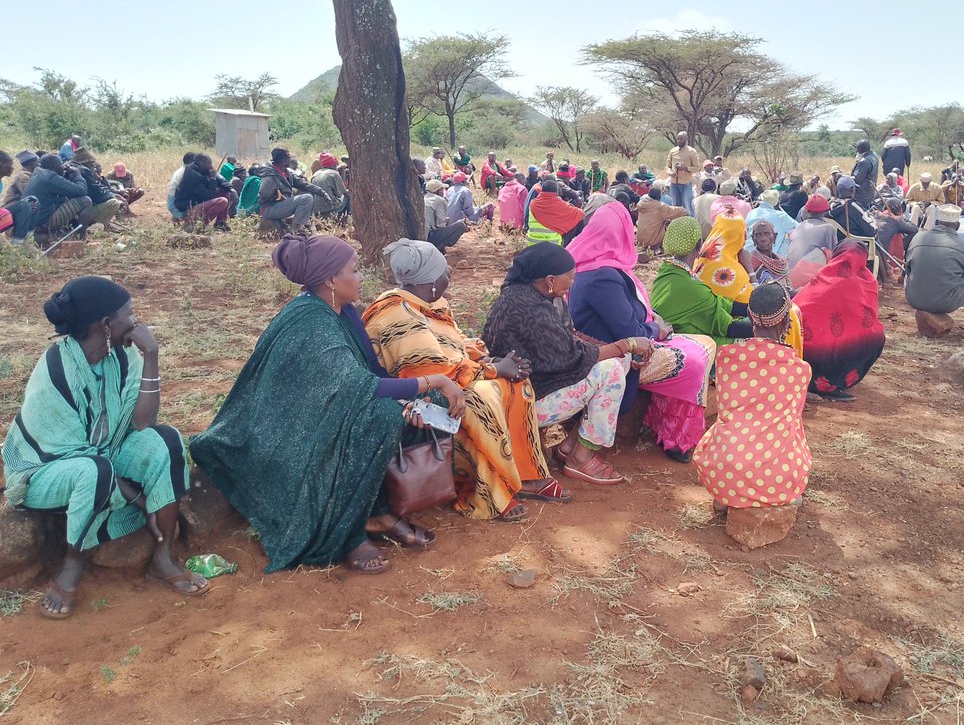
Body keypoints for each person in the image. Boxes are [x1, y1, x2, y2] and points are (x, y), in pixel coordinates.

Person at [192, 236, 467, 573]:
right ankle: (350, 533)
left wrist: (413, 398)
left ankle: (377, 510)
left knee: (430, 407)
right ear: (330, 281)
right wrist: (434, 380)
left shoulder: (343, 310)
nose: (361, 276)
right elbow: (358, 386)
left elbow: (371, 372)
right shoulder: (311, 323)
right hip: (295, 431)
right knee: (384, 417)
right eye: (354, 270)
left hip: (331, 411)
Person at [2, 277, 207, 618]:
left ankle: (162, 556)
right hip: (45, 474)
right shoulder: (56, 369)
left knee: (166, 439)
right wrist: (143, 503)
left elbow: (142, 422)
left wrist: (152, 355)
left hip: (103, 459)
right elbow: (72, 455)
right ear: (107, 324)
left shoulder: (122, 359)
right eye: (131, 313)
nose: (137, 321)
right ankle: (71, 565)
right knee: (94, 470)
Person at [364, 240, 566, 521]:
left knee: (518, 384)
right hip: (417, 394)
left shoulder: (430, 302)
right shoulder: (396, 315)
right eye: (444, 272)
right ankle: (488, 494)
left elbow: (455, 344)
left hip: (450, 376)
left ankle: (525, 475)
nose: (450, 274)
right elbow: (427, 371)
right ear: (432, 282)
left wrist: (488, 360)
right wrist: (493, 371)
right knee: (480, 399)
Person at [566, 204, 717, 462]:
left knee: (701, 346)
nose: (633, 233)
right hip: (619, 353)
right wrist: (655, 328)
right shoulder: (603, 277)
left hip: (615, 344)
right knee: (693, 362)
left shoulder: (592, 263)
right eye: (629, 228)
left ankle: (666, 425)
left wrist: (653, 319)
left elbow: (629, 314)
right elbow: (632, 331)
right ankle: (675, 439)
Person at [481, 242, 637, 485]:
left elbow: (571, 340)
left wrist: (621, 349)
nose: (573, 283)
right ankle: (581, 458)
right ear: (550, 279)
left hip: (539, 383)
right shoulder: (527, 309)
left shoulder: (540, 296)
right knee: (612, 370)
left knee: (618, 359)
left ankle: (570, 446)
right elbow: (573, 355)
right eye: (571, 278)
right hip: (526, 399)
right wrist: (625, 345)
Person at [693, 283, 813, 523]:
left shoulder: (727, 359)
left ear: (749, 316)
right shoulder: (800, 370)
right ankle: (773, 496)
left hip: (723, 471)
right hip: (778, 479)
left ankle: (730, 496)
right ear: (786, 320)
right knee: (791, 431)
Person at [792, 240, 885, 402]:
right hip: (846, 349)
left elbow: (801, 304)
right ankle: (836, 381)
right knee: (877, 336)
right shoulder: (868, 280)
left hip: (807, 350)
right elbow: (868, 318)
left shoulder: (825, 275)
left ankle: (811, 381)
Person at [904, 204, 964, 341]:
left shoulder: (918, 238)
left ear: (937, 223)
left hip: (914, 298)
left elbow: (908, 269)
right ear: (957, 226)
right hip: (947, 302)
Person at [651, 217, 752, 346]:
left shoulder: (667, 271)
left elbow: (718, 302)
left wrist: (755, 309)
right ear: (699, 244)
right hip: (695, 346)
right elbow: (727, 327)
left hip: (680, 338)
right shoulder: (690, 286)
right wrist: (766, 330)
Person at [25, 154, 97, 241]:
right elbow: (82, 191)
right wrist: (77, 174)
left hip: (33, 220)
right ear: (54, 167)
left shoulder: (40, 174)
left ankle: (64, 230)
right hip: (42, 222)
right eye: (61, 164)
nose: (63, 167)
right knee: (86, 201)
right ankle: (81, 238)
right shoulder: (51, 178)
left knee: (65, 199)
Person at [695, 203, 753, 304]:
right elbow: (755, 303)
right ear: (740, 235)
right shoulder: (730, 269)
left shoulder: (701, 256)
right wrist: (752, 273)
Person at [258, 148, 324, 233]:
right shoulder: (271, 175)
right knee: (306, 198)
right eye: (289, 158)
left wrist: (320, 191)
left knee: (310, 193)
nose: (291, 160)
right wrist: (277, 195)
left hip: (279, 205)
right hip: (269, 208)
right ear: (283, 160)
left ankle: (305, 223)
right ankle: (295, 230)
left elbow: (303, 184)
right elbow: (264, 194)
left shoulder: (285, 172)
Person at [174, 153, 234, 229]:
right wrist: (213, 179)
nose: (211, 166)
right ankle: (200, 225)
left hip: (198, 201)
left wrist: (231, 188)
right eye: (209, 163)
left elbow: (220, 179)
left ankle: (221, 223)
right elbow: (207, 195)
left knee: (225, 191)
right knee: (222, 201)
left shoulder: (201, 168)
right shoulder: (193, 175)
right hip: (187, 208)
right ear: (201, 163)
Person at [786, 193, 837, 266]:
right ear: (825, 211)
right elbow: (833, 253)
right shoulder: (828, 228)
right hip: (808, 272)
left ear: (807, 210)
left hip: (789, 271)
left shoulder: (799, 226)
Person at [529, 178, 584, 243]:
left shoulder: (533, 203)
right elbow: (580, 214)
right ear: (556, 191)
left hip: (531, 242)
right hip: (553, 243)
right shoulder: (559, 204)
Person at [635, 186, 687, 252]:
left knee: (664, 221)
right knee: (669, 222)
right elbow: (680, 212)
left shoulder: (642, 204)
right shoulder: (660, 207)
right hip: (652, 243)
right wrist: (686, 209)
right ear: (659, 196)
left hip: (640, 241)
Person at [422, 179, 467, 252]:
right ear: (436, 191)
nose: (443, 192)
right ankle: (439, 248)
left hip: (421, 235)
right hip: (430, 237)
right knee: (461, 225)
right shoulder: (439, 200)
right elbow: (440, 225)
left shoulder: (424, 198)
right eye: (441, 189)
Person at [666, 131, 702, 216]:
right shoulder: (673, 151)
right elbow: (667, 166)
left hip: (686, 184)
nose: (679, 140)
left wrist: (686, 168)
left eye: (681, 139)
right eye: (678, 138)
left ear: (686, 139)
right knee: (675, 207)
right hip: (674, 184)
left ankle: (692, 225)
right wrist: (670, 172)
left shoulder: (692, 152)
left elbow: (697, 168)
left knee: (688, 207)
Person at [851, 139, 880, 212]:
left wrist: (844, 177)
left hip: (862, 193)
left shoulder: (864, 161)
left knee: (861, 212)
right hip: (870, 190)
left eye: (857, 148)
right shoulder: (874, 156)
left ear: (860, 149)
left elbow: (857, 178)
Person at [166, 153, 194, 219]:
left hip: (171, 201)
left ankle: (176, 218)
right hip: (175, 203)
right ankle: (181, 217)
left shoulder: (180, 170)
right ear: (191, 162)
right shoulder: (186, 172)